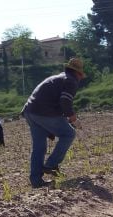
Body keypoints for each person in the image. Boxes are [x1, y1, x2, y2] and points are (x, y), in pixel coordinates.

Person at [21, 58, 85, 188]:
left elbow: (56, 103)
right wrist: (74, 119)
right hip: (43, 112)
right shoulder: (71, 81)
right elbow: (65, 102)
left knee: (39, 147)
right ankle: (51, 165)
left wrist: (63, 120)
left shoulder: (58, 78)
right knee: (69, 134)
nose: (80, 79)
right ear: (78, 73)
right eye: (81, 76)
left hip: (29, 111)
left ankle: (36, 181)